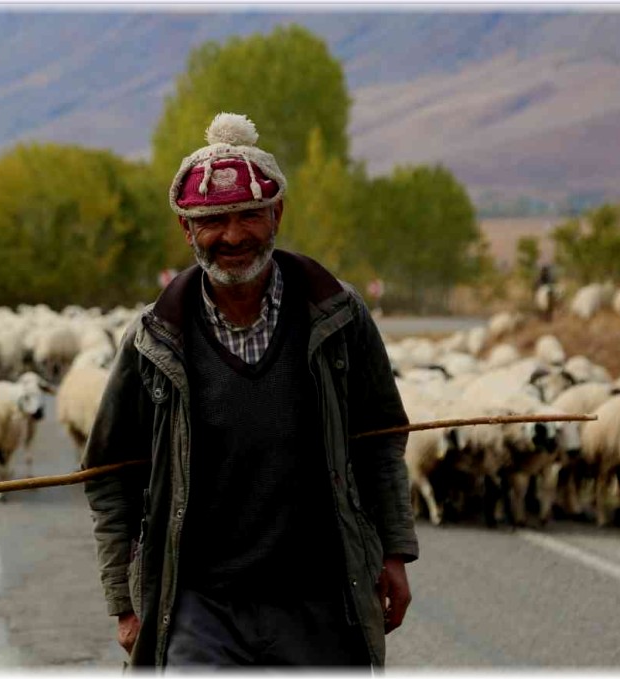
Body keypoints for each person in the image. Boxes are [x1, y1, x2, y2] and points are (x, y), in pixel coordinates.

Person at [83, 112, 418, 669]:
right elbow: (110, 477)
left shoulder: (338, 319)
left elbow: (379, 441)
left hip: (318, 595)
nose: (233, 236)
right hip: (197, 603)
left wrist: (396, 552)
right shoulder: (152, 341)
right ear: (188, 230)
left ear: (277, 214)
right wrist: (125, 602)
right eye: (213, 220)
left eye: (248, 216)